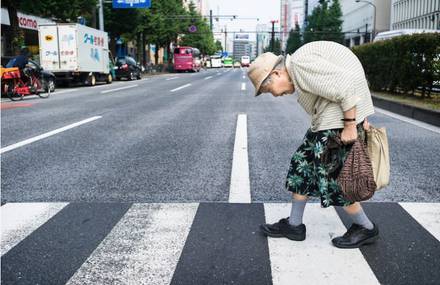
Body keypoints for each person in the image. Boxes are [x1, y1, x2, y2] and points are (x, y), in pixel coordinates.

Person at [247, 41, 379, 249]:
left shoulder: (300, 65)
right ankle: (294, 225)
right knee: (301, 168)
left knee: (336, 179)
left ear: (277, 74)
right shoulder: (300, 66)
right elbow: (347, 78)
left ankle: (366, 228)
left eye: (268, 89)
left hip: (336, 123)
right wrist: (361, 115)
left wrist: (352, 125)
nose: (274, 95)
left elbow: (345, 84)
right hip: (329, 119)